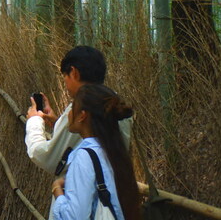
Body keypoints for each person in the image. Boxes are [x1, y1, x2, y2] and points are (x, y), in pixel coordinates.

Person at [25, 46, 132, 186]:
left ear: (74, 72)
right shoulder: (115, 104)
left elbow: (47, 157)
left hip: (81, 194)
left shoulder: (85, 107)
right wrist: (58, 122)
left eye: (65, 76)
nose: (65, 83)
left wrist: (34, 121)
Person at [50, 84, 140, 220]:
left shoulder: (84, 157)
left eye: (72, 107)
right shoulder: (113, 151)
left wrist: (57, 190)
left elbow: (75, 217)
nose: (69, 113)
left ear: (82, 116)